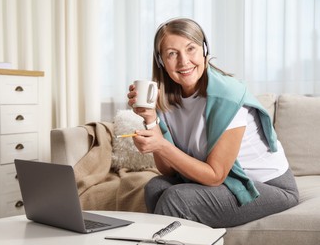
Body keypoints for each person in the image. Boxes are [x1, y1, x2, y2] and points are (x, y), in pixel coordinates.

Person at [127, 17, 299, 228]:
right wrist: (151, 120)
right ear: (161, 60)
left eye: (191, 49)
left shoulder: (227, 96)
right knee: (155, 187)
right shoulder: (167, 99)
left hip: (268, 186)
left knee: (177, 199)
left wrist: (161, 144)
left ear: (204, 50)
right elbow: (168, 171)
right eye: (172, 54)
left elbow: (216, 175)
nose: (184, 61)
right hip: (227, 182)